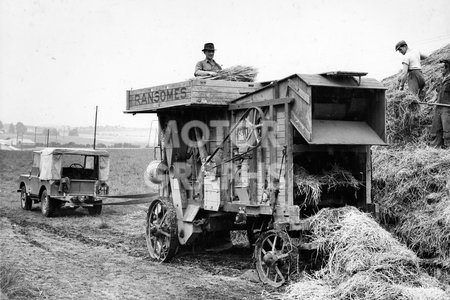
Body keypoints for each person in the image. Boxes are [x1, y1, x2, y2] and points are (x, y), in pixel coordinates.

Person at [430, 56, 450, 149]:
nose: (440, 70)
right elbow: (438, 92)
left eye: (442, 68)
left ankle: (448, 148)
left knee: (447, 130)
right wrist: (433, 100)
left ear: (447, 67)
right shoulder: (442, 79)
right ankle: (435, 148)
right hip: (438, 106)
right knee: (436, 128)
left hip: (447, 108)